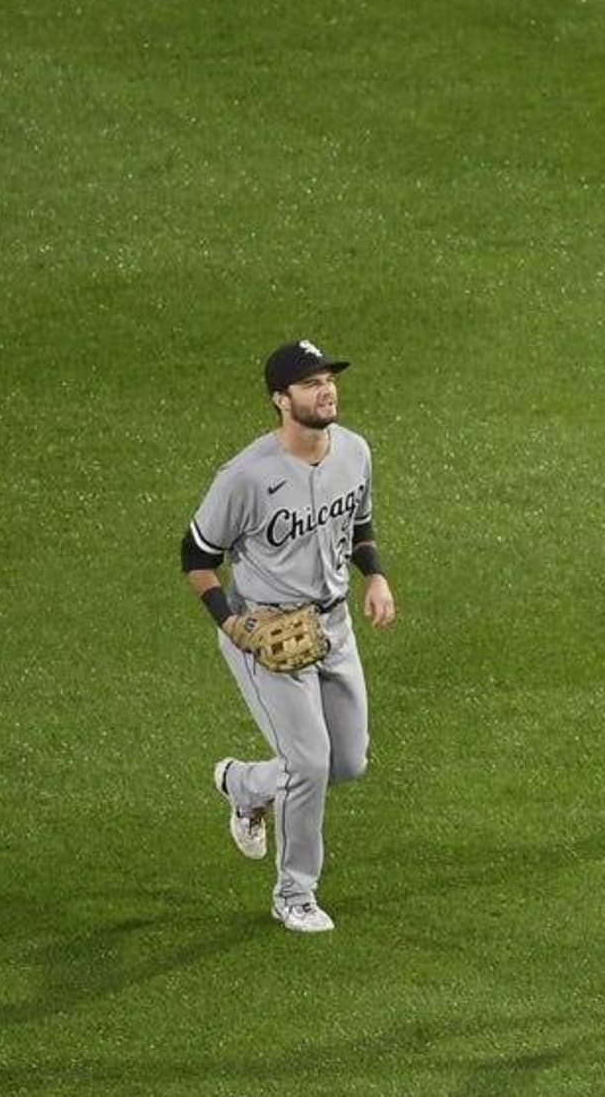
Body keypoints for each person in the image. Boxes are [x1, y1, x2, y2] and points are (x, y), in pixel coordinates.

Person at [181, 339, 395, 934]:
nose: (326, 390)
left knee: (345, 763)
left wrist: (375, 576)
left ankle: (245, 785)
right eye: (310, 383)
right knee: (309, 763)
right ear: (281, 400)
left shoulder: (354, 451)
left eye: (328, 379)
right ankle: (294, 893)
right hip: (266, 635)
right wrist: (232, 622)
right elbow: (196, 557)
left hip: (333, 626)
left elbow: (359, 521)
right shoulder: (245, 477)